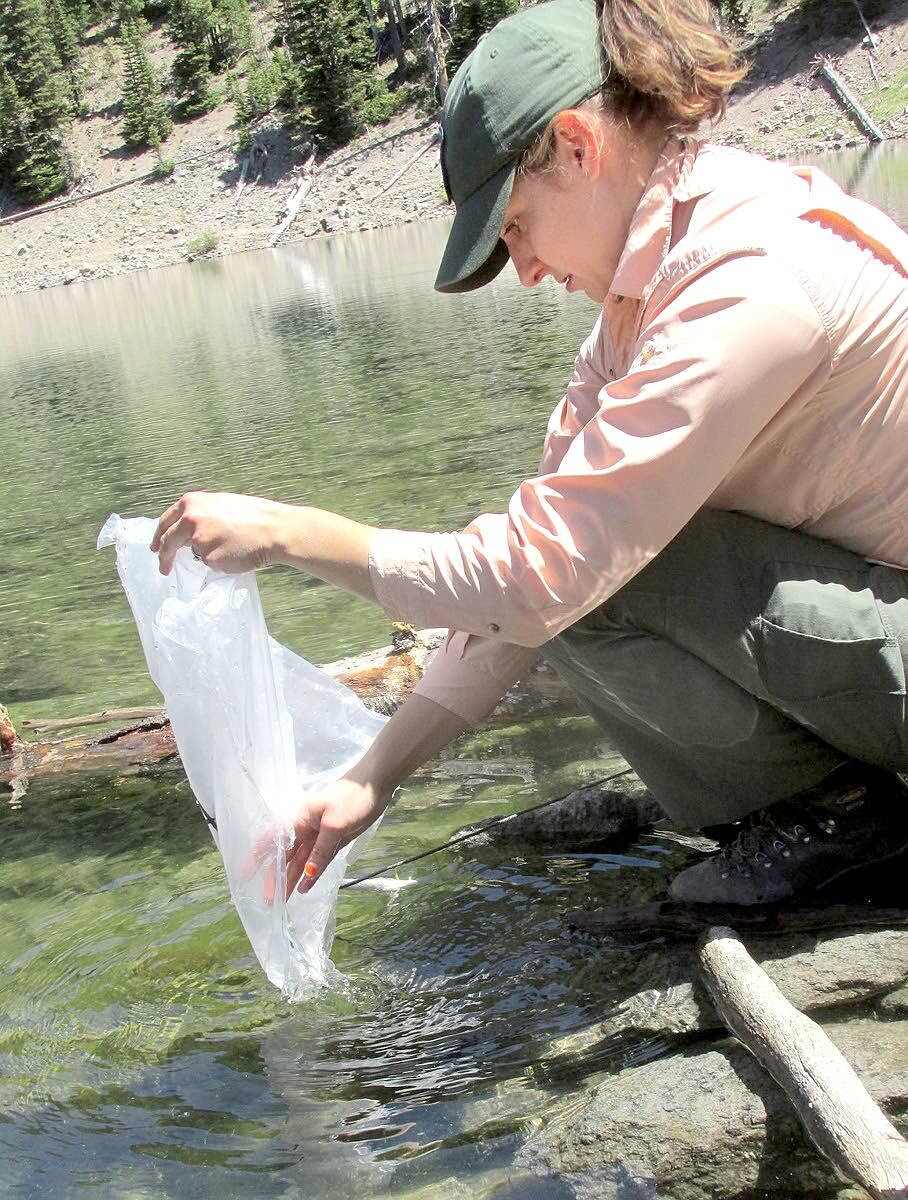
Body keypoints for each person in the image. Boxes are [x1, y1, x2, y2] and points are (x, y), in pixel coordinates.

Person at [152, 0, 908, 907]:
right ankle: (831, 810)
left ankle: (841, 822)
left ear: (579, 147)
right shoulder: (645, 302)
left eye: (513, 227)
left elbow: (537, 578)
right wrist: (372, 778)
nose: (527, 269)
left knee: (601, 572)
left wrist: (291, 533)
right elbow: (524, 580)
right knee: (585, 562)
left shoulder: (748, 280)